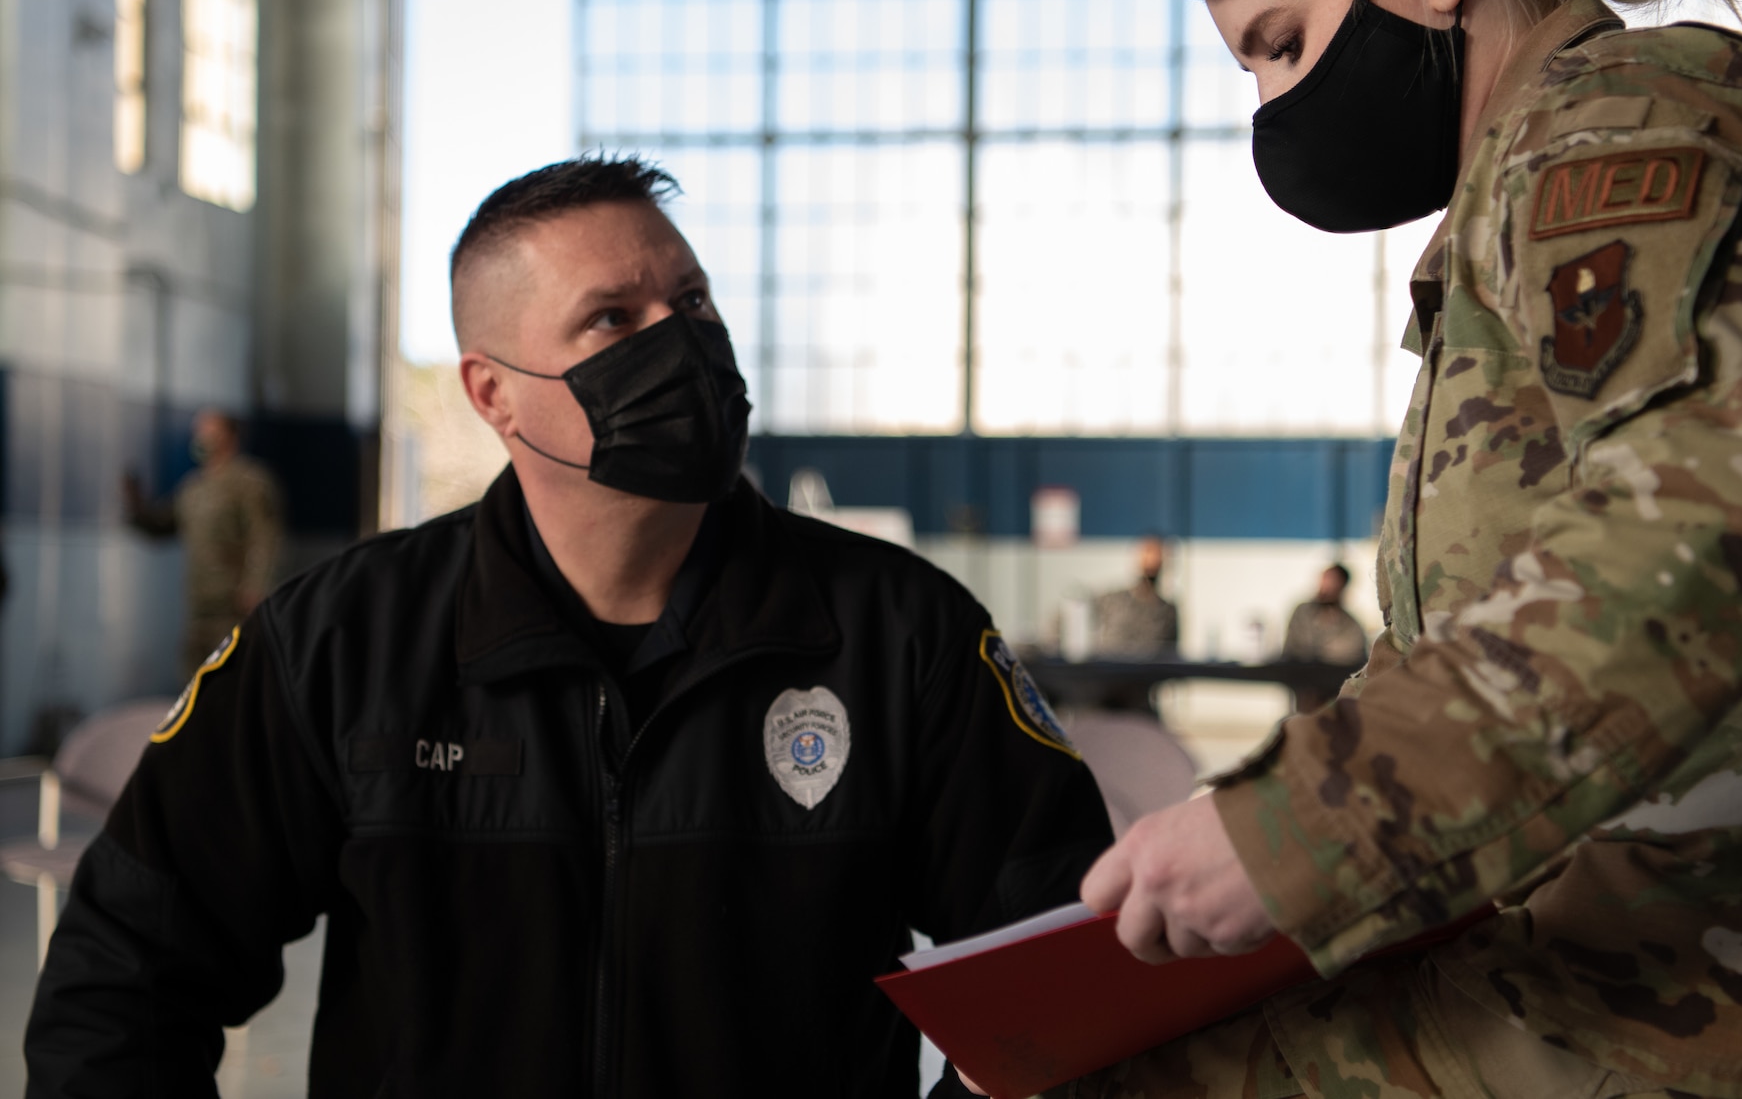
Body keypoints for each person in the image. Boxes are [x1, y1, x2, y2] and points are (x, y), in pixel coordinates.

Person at [1049, 0, 1742, 1097]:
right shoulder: (1526, 186)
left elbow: (1708, 523)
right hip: (1614, 963)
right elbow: (1476, 640)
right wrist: (1250, 829)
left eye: (1280, 43)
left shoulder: (1628, 125)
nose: (1272, 106)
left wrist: (1302, 834)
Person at [29, 156, 1112, 1097]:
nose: (679, 343)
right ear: (493, 393)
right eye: (613, 319)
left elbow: (1071, 975)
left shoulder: (899, 636)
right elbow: (124, 975)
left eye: (692, 302)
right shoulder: (343, 642)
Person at [123, 408, 284, 676]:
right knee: (194, 683)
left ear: (229, 436)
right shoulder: (193, 488)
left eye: (208, 430)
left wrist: (257, 584)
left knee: (233, 680)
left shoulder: (248, 483)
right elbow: (164, 525)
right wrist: (137, 508)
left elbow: (264, 536)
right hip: (199, 606)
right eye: (198, 431)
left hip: (233, 606)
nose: (200, 437)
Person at [1090, 534, 1179, 657]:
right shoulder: (1112, 600)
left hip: (1149, 673)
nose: (1152, 559)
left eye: (1158, 555)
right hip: (1111, 671)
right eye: (1147, 552)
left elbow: (1171, 654)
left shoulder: (1168, 611)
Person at [1280, 563, 1365, 667]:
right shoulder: (1301, 613)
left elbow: (1350, 656)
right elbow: (1293, 649)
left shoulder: (1351, 627)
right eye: (1324, 580)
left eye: (1332, 581)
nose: (1326, 587)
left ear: (1342, 586)